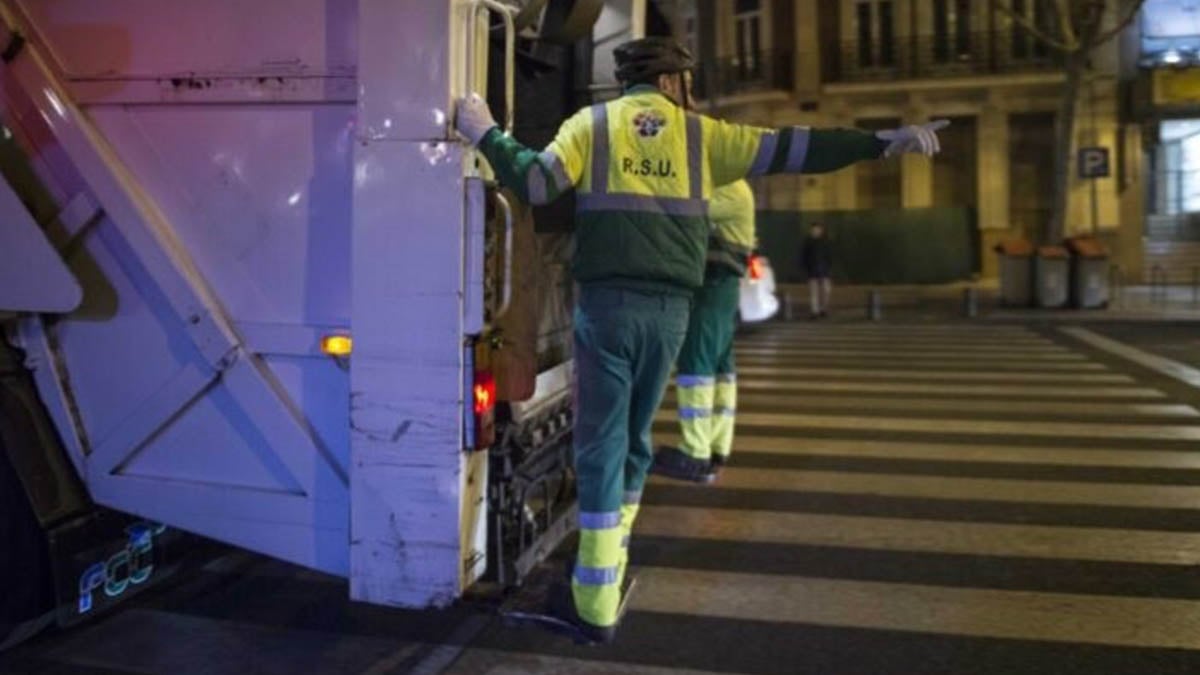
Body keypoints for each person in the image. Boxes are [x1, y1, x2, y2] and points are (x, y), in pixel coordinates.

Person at [454, 36, 946, 643]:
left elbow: (532, 185)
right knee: (634, 440)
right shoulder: (705, 137)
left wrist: (484, 134)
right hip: (671, 315)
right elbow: (798, 147)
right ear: (671, 83)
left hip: (608, 311)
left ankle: (593, 601)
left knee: (601, 447)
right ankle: (613, 561)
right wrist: (880, 143)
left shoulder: (592, 124)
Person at [651, 180, 754, 483]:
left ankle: (694, 453)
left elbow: (687, 212)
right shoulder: (733, 185)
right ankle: (715, 447)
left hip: (713, 286)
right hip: (720, 288)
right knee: (721, 370)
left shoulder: (731, 188)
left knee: (696, 365)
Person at [802, 222, 834, 318]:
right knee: (814, 292)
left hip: (824, 270)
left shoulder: (826, 242)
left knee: (826, 290)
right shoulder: (808, 242)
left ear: (821, 230)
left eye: (817, 229)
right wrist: (806, 268)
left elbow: (830, 256)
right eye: (813, 230)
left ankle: (823, 309)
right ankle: (815, 311)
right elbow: (804, 256)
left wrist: (829, 267)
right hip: (812, 270)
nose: (815, 231)